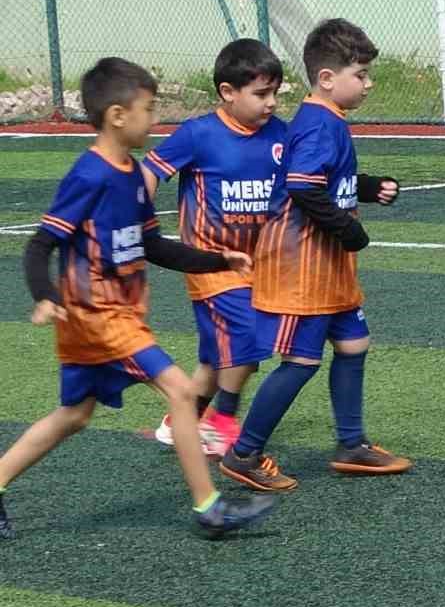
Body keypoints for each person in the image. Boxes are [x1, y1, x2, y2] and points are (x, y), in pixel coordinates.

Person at [0, 57, 277, 539]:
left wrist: (219, 260)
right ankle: (209, 508)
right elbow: (41, 243)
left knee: (74, 415)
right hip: (96, 316)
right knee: (181, 390)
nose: (156, 120)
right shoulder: (90, 175)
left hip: (115, 318)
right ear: (117, 116)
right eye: (149, 109)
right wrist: (44, 295)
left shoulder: (131, 174)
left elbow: (153, 246)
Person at [218, 18, 412, 484]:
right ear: (327, 79)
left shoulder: (327, 120)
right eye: (360, 75)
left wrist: (365, 188)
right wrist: (349, 230)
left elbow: (325, 180)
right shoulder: (320, 122)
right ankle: (243, 453)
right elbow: (303, 186)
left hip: (329, 268)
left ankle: (351, 443)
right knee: (301, 361)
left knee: (353, 343)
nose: (369, 83)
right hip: (302, 266)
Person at [142, 39, 292, 489]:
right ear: (228, 92)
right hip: (210, 265)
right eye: (260, 94)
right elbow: (150, 170)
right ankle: (226, 422)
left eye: (274, 94)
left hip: (260, 265)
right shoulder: (199, 133)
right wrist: (138, 216)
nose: (270, 103)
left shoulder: (280, 135)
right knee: (248, 336)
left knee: (215, 359)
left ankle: (180, 419)